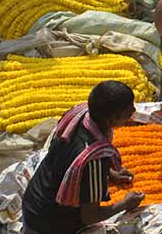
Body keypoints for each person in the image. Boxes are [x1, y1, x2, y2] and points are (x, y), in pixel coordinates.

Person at [22, 81, 145, 234]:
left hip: (33, 201)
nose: (133, 110)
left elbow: (68, 161)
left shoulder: (78, 115)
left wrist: (110, 173)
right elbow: (91, 217)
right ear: (111, 119)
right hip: (46, 224)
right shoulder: (94, 159)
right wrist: (125, 203)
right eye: (128, 111)